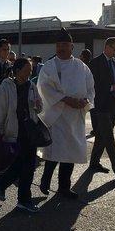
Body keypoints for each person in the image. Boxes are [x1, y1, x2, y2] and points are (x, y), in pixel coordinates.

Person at [37, 28, 95, 199]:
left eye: (64, 45)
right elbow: (44, 87)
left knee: (70, 153)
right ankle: (45, 180)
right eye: (58, 45)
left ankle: (64, 187)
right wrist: (65, 99)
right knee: (55, 152)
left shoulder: (81, 66)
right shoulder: (50, 66)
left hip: (75, 116)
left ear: (72, 46)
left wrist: (85, 101)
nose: (61, 48)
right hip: (57, 115)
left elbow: (91, 87)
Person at [0, 58, 43, 212]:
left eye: (30, 71)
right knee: (21, 165)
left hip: (30, 132)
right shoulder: (6, 87)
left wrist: (38, 106)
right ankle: (4, 184)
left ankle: (21, 197)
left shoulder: (32, 86)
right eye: (26, 70)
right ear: (17, 70)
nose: (29, 74)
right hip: (14, 132)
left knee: (28, 166)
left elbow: (40, 107)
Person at [88, 37, 115, 177]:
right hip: (101, 105)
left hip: (114, 104)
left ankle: (94, 162)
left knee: (101, 136)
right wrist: (110, 87)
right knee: (109, 137)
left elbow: (114, 81)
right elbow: (92, 85)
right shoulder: (95, 63)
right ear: (107, 47)